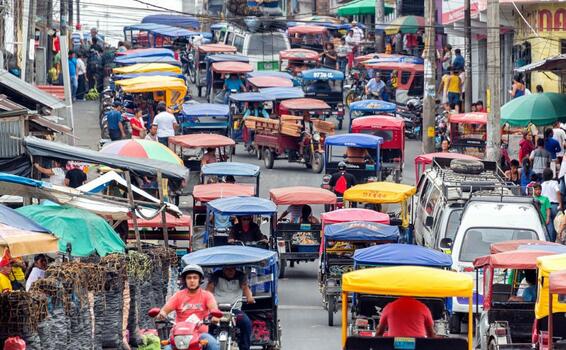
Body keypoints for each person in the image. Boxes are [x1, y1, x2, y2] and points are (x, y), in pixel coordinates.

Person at [157, 265, 220, 350]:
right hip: (178, 335)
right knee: (167, 348)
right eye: (189, 278)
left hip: (200, 334)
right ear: (185, 280)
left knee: (213, 345)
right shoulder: (178, 295)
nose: (192, 281)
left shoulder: (207, 295)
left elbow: (214, 310)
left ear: (200, 280)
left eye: (195, 278)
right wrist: (162, 314)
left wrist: (215, 317)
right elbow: (164, 311)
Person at [206, 267, 254, 350]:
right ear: (223, 269)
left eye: (232, 269)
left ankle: (245, 347)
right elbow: (209, 289)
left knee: (246, 323)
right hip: (217, 309)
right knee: (206, 324)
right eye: (227, 269)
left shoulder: (240, 276)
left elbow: (245, 288)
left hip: (235, 310)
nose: (230, 271)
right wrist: (205, 299)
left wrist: (250, 297)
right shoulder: (216, 275)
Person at [542, 168, 562, 241]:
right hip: (554, 206)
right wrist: (560, 204)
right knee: (557, 225)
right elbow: (558, 192)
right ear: (552, 175)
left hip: (546, 207)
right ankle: (556, 241)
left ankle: (550, 242)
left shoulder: (542, 185)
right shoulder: (554, 183)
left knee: (549, 226)